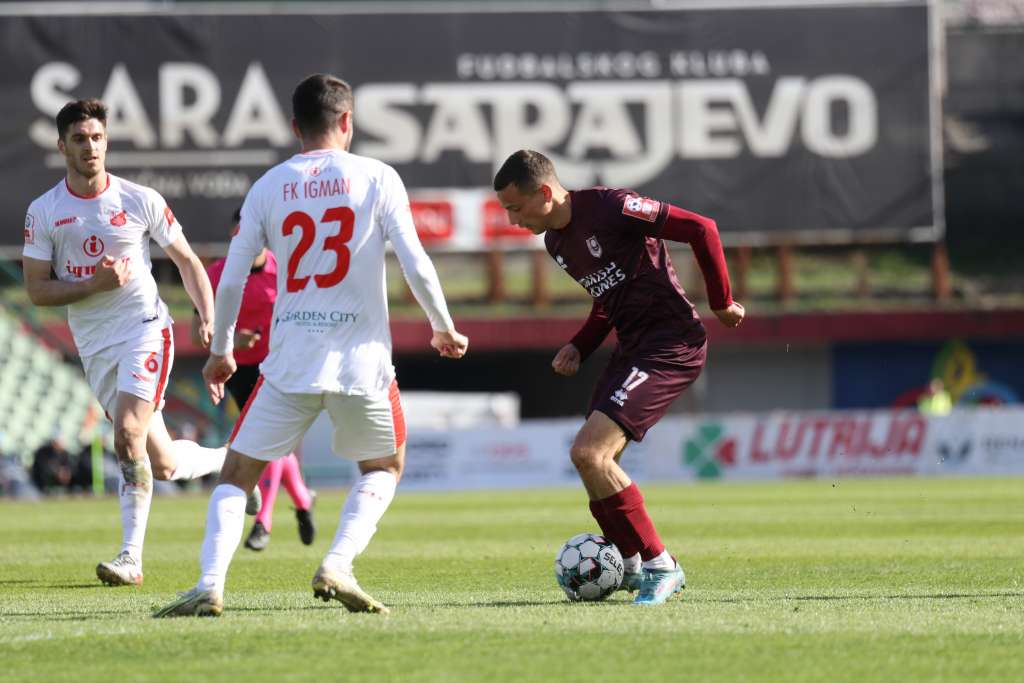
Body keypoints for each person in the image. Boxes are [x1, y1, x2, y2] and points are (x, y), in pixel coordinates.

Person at [155, 74, 468, 618]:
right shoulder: (378, 176)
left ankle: (209, 584)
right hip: (362, 362)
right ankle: (338, 563)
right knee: (383, 467)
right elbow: (414, 260)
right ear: (347, 121)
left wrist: (222, 350)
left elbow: (232, 278)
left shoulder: (268, 186)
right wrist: (442, 325)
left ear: (294, 126)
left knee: (237, 476)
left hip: (289, 362)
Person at [22, 98, 258, 588]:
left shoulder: (138, 199)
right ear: (62, 145)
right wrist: (94, 284)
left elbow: (188, 261)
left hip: (145, 330)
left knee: (128, 433)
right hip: (95, 348)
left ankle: (130, 557)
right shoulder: (44, 211)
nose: (91, 147)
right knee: (164, 463)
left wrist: (207, 317)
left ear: (107, 141)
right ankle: (235, 462)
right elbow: (37, 291)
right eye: (80, 139)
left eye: (97, 137)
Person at [492, 150, 745, 605]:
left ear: (545, 193)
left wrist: (721, 301)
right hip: (632, 349)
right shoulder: (556, 243)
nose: (512, 220)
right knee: (590, 462)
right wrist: (581, 345)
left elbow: (701, 228)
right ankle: (629, 564)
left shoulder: (612, 206)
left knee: (591, 453)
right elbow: (607, 298)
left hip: (671, 345)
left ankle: (661, 566)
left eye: (516, 207)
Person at [192, 210, 316, 552]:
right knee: (273, 445)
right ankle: (303, 500)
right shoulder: (217, 274)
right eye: (238, 235)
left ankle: (264, 521)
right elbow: (196, 333)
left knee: (268, 441)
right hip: (237, 369)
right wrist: (231, 343)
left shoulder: (285, 270)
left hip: (278, 367)